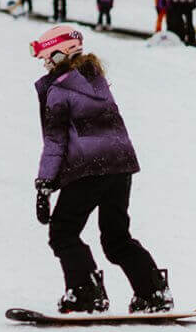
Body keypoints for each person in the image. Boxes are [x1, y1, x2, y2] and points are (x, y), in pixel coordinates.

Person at [30, 26, 174, 315]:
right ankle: (153, 291)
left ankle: (84, 292)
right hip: (120, 167)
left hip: (89, 169)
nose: (45, 66)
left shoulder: (59, 90)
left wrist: (45, 183)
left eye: (47, 59)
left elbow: (56, 142)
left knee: (63, 232)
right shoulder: (96, 80)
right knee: (116, 237)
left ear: (60, 55)